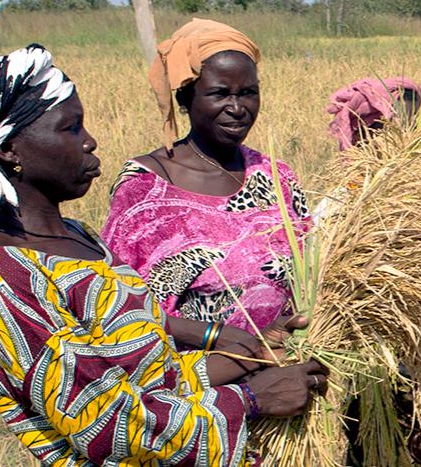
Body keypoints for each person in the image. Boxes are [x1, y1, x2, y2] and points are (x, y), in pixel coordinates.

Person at [0, 44, 327, 465]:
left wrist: (250, 353)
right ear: (9, 149)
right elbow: (112, 427)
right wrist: (250, 400)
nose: (89, 142)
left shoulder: (76, 239)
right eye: (70, 129)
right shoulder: (9, 278)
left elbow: (154, 375)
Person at [103, 18, 313, 335]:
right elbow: (122, 309)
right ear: (185, 100)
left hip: (291, 370)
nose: (237, 108)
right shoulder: (145, 188)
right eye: (219, 93)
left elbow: (312, 271)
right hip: (198, 377)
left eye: (248, 93)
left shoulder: (276, 176)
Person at [312, 76, 421, 223]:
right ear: (364, 136)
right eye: (397, 129)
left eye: (413, 124)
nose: (408, 135)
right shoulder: (338, 205)